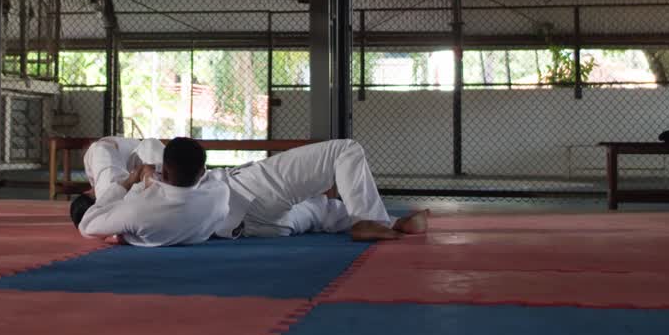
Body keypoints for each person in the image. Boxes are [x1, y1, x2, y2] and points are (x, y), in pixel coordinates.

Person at [212, 139, 428, 242]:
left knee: (322, 209)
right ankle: (368, 220)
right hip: (246, 190)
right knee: (345, 150)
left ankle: (392, 223)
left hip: (250, 228)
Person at [74, 137, 230, 247]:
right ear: (202, 172)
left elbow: (87, 226)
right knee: (150, 144)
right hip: (157, 186)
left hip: (126, 192)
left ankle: (110, 155)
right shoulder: (219, 195)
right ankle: (126, 153)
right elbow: (207, 180)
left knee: (101, 148)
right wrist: (152, 176)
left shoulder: (138, 211)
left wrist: (132, 180)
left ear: (165, 172)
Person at [68, 136, 166, 227]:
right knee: (151, 146)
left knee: (150, 146)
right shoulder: (105, 190)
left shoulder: (102, 177)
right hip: (130, 155)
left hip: (129, 156)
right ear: (86, 192)